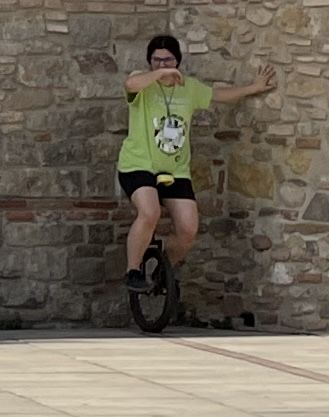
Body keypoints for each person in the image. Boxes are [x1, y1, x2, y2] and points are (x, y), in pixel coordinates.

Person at [114, 33, 270, 331]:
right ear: (150, 62)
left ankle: (162, 269)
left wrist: (254, 87)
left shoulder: (189, 90)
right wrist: (159, 74)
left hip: (175, 170)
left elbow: (220, 95)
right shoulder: (142, 83)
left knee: (188, 229)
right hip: (138, 165)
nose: (163, 64)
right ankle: (133, 270)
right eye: (157, 59)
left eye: (168, 59)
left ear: (179, 61)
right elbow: (130, 85)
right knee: (149, 213)